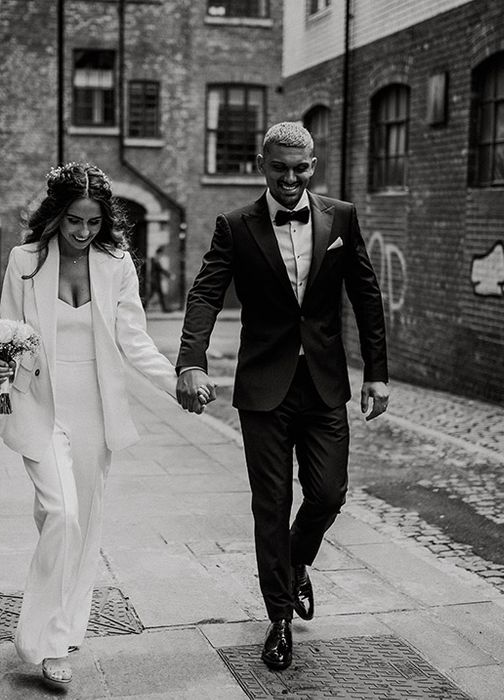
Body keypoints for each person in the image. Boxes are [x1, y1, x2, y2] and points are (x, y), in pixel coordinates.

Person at [175, 122, 390, 671]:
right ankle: (278, 619)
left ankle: (296, 563)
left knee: (327, 493)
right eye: (279, 168)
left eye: (300, 168)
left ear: (313, 165)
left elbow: (365, 294)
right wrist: (191, 362)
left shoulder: (340, 218)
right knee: (269, 506)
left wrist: (377, 373)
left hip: (323, 385)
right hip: (264, 388)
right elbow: (205, 293)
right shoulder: (235, 226)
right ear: (261, 164)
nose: (290, 178)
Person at [0, 162, 207, 687]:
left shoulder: (117, 264)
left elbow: (134, 341)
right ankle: (40, 640)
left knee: (81, 527)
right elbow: (8, 334)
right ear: (55, 217)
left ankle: (61, 633)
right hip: (40, 403)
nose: (83, 233)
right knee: (61, 514)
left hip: (93, 406)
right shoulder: (24, 261)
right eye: (73, 222)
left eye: (92, 223)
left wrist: (177, 381)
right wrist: (0, 363)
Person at [148, 244, 174, 312]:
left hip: (155, 280)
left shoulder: (154, 259)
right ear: (159, 253)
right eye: (161, 254)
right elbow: (161, 269)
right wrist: (169, 275)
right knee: (154, 295)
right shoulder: (155, 260)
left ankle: (165, 309)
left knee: (156, 295)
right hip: (155, 281)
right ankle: (165, 309)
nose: (161, 256)